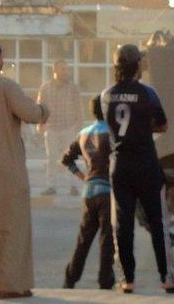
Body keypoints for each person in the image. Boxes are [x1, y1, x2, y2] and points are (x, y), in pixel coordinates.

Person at [101, 44, 174, 294]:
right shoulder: (149, 93)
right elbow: (162, 126)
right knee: (158, 223)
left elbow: (111, 126)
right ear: (137, 65)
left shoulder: (105, 95)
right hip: (146, 164)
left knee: (123, 225)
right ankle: (167, 278)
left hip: (120, 166)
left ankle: (127, 280)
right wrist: (142, 128)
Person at [0, 40, 49, 299]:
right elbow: (32, 114)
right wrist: (44, 109)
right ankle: (10, 284)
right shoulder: (5, 86)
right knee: (12, 226)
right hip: (6, 168)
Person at [60, 95, 114, 290]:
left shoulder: (83, 133)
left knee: (84, 239)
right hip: (106, 191)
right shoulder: (111, 133)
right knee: (106, 238)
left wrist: (82, 177)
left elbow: (66, 159)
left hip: (88, 191)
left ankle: (70, 279)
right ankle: (105, 280)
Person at [37, 59, 83, 196]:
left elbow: (78, 107)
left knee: (71, 158)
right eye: (62, 69)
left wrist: (78, 125)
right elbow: (40, 106)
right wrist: (40, 123)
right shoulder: (45, 87)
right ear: (54, 71)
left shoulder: (72, 87)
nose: (65, 72)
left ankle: (73, 186)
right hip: (51, 128)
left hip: (68, 127)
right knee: (51, 158)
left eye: (66, 69)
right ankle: (51, 186)